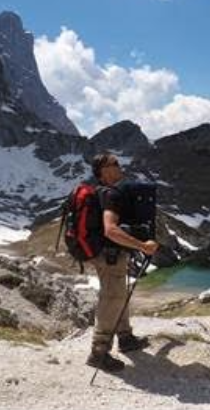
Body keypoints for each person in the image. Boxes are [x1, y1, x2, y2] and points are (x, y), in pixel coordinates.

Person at [86, 152, 159, 373]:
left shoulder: (103, 192)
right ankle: (98, 352)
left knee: (119, 294)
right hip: (110, 256)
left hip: (108, 255)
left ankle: (125, 338)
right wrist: (142, 246)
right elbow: (110, 230)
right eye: (114, 164)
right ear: (104, 171)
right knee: (113, 297)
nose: (120, 166)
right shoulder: (111, 195)